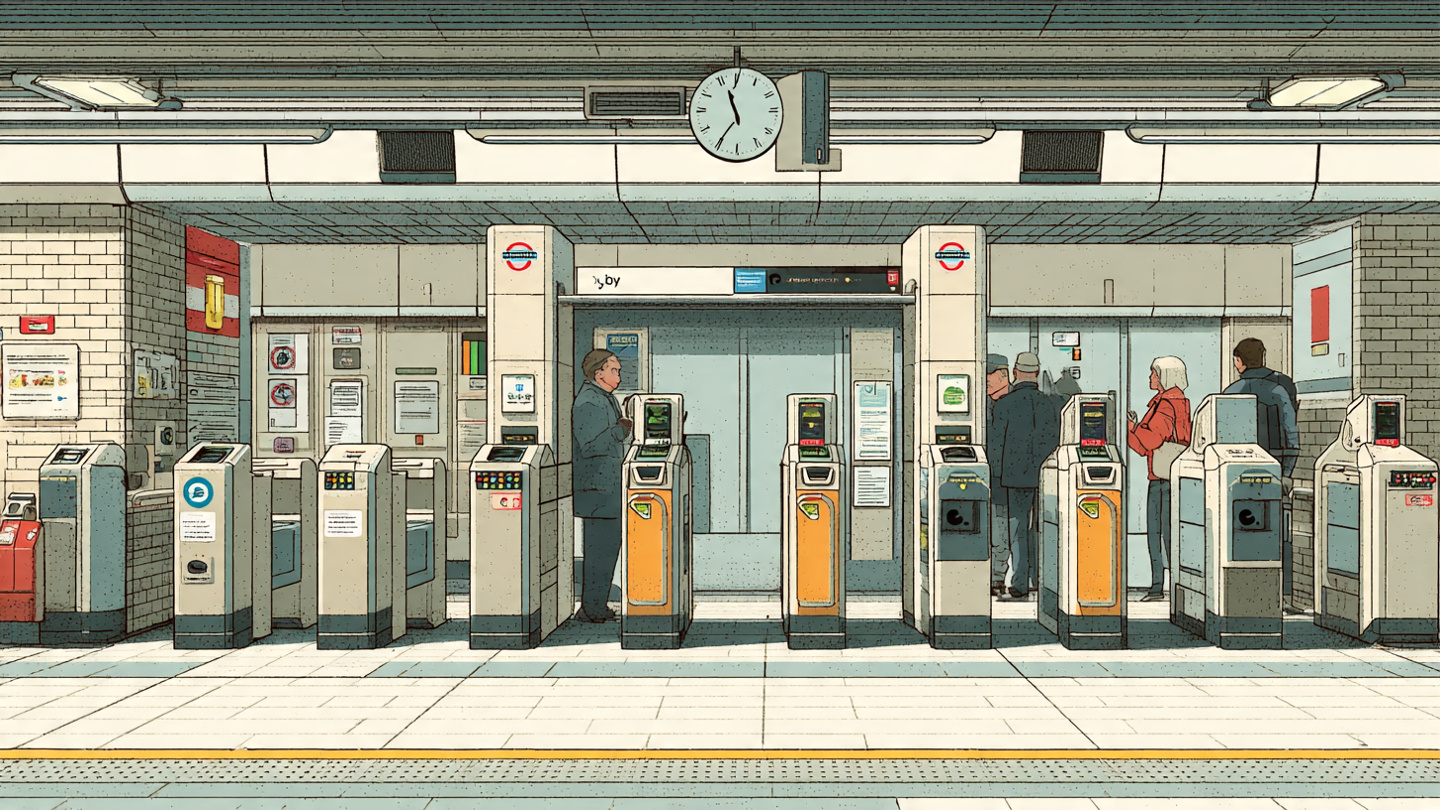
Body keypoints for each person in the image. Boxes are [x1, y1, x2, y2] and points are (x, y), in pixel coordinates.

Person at [989, 351, 1061, 599]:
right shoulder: (1050, 404)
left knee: (1018, 529)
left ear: (1015, 372)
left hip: (1014, 478)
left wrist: (995, 478)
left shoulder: (1004, 404)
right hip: (1045, 477)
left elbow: (996, 445)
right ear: (1037, 374)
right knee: (1043, 528)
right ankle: (1042, 581)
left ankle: (1020, 583)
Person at [572, 349, 633, 623]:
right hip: (598, 492)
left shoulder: (604, 398)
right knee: (600, 552)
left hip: (607, 490)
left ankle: (596, 606)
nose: (618, 376)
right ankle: (591, 609)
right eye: (614, 370)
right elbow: (590, 446)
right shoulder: (589, 402)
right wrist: (620, 430)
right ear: (599, 373)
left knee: (606, 552)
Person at [1126, 356, 1192, 602]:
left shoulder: (1165, 404)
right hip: (1173, 476)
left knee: (1157, 534)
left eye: (1154, 373)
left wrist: (1132, 427)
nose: (1151, 377)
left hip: (1160, 479)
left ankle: (1157, 587)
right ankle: (1176, 584)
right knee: (1171, 533)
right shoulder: (1180, 402)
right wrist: (1134, 430)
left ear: (1165, 375)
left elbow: (1151, 441)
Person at [1222, 338, 1298, 479]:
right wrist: (1287, 473)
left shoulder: (1231, 392)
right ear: (1262, 357)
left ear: (1239, 361)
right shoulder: (1281, 388)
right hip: (1276, 462)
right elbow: (1291, 433)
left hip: (1240, 464)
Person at [985, 353, 1011, 596]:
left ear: (1004, 375)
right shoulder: (983, 404)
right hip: (988, 477)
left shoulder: (1013, 404)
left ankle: (997, 578)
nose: (986, 378)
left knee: (1002, 530)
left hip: (1008, 479)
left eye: (990, 373)